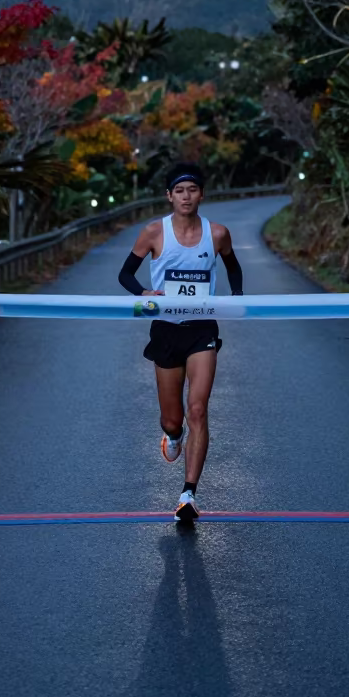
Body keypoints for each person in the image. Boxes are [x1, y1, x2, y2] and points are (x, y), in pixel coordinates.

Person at [117, 162, 244, 522]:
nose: (186, 196)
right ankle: (172, 437)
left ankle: (188, 494)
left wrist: (235, 294)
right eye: (180, 191)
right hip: (166, 330)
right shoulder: (154, 232)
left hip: (202, 329)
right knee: (173, 420)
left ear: (202, 194)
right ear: (169, 196)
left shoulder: (217, 233)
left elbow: (233, 267)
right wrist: (145, 292)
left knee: (198, 410)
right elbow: (125, 273)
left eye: (193, 189)